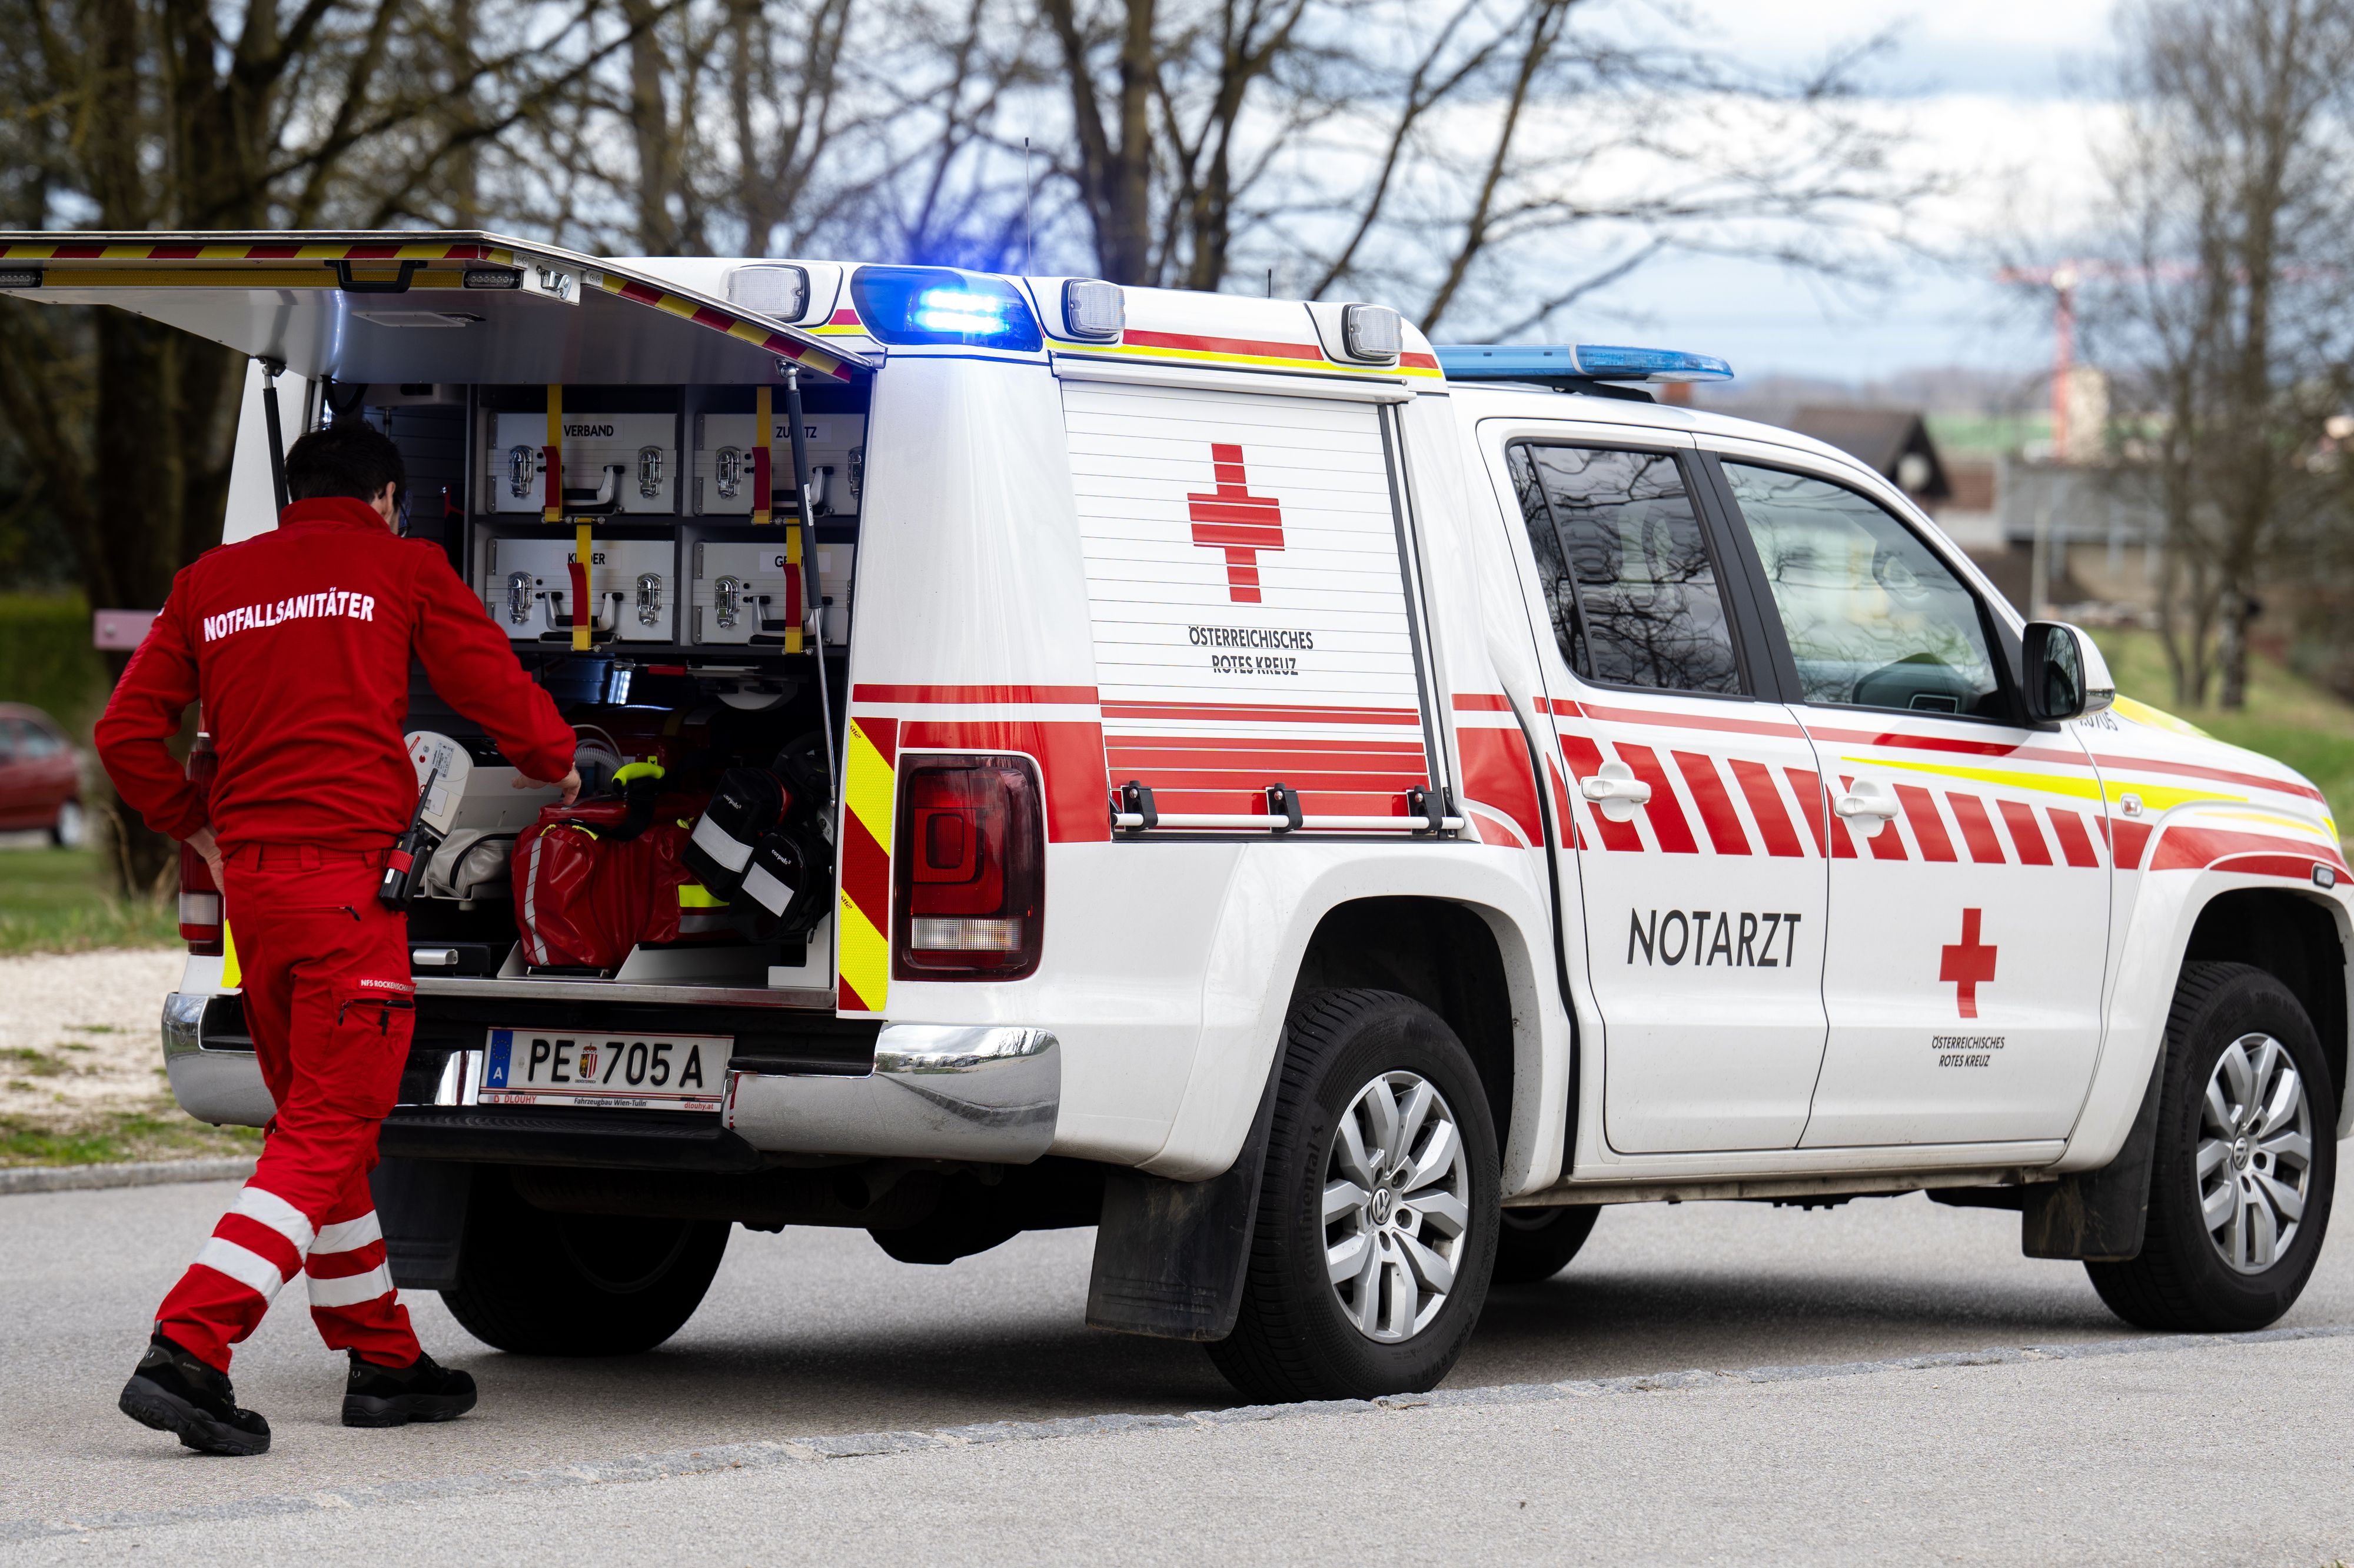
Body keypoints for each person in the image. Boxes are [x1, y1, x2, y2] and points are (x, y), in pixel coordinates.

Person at [95, 420, 580, 1456]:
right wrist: (557, 760)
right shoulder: (401, 567)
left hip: (258, 900)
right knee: (325, 1129)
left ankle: (383, 1354)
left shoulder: (210, 582)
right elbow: (488, 681)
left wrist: (194, 823)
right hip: (348, 896)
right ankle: (188, 1345)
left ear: (291, 498)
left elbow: (124, 733)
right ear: (389, 498)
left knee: (328, 1126)